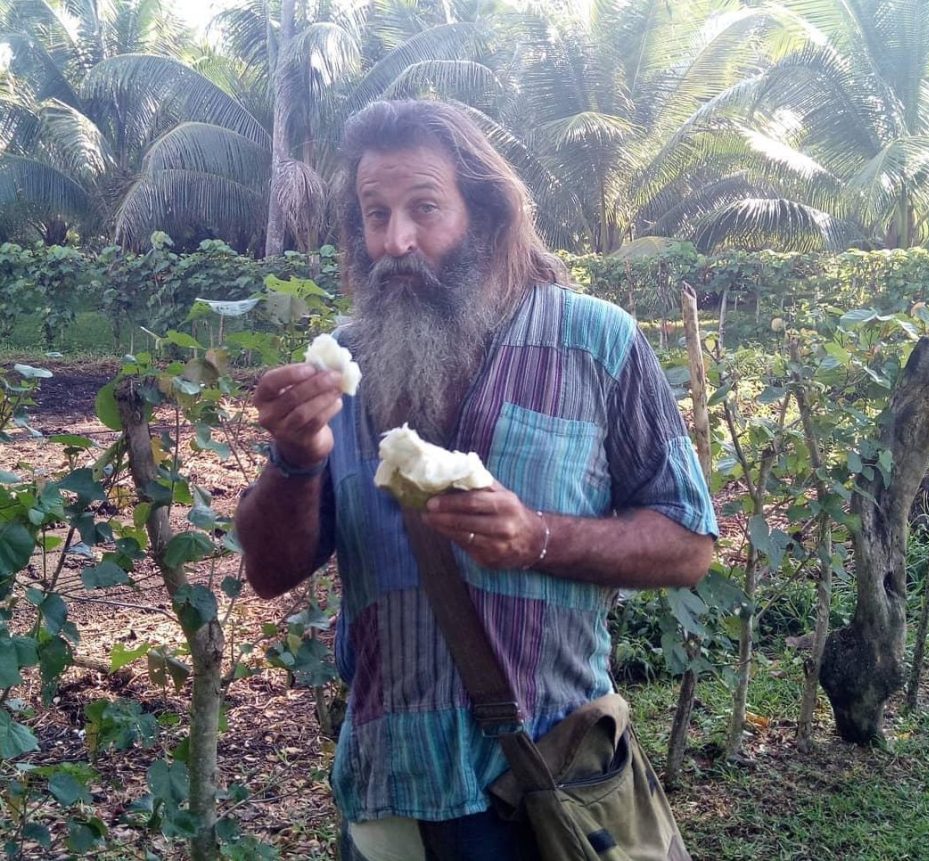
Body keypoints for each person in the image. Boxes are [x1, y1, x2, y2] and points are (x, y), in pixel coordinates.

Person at [235, 99, 717, 861]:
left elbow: (689, 541)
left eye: (425, 208)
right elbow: (268, 571)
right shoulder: (344, 368)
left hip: (547, 788)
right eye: (376, 213)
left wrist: (540, 536)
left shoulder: (596, 342)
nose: (396, 240)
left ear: (485, 213)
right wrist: (296, 456)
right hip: (392, 801)